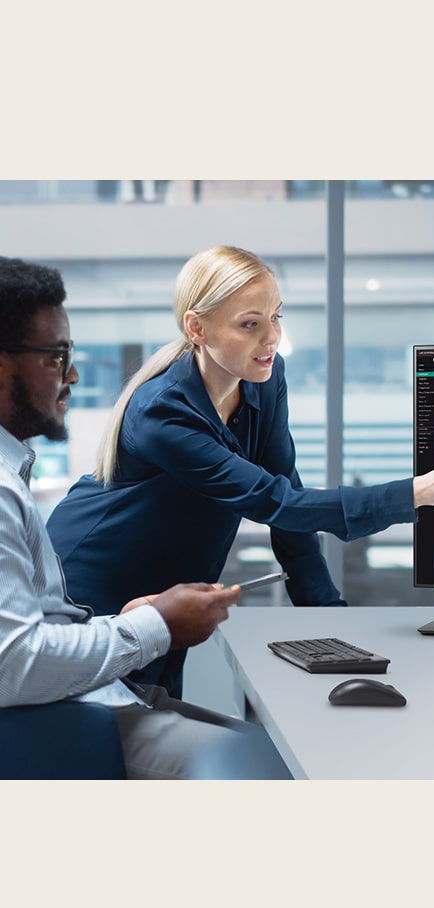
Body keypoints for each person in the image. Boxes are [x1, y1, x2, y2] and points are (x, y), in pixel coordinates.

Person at [47, 245, 434, 698]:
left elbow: (287, 505)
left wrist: (331, 623)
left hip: (165, 594)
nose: (271, 338)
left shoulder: (265, 380)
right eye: (250, 324)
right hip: (92, 585)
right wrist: (412, 493)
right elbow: (273, 502)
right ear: (197, 327)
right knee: (114, 740)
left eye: (276, 317)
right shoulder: (164, 411)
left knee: (151, 725)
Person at [0, 255, 292, 779]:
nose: (72, 374)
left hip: (77, 699)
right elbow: (13, 665)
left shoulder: (12, 470)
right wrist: (154, 625)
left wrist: (128, 622)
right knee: (273, 767)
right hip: (51, 722)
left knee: (275, 749)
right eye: (55, 356)